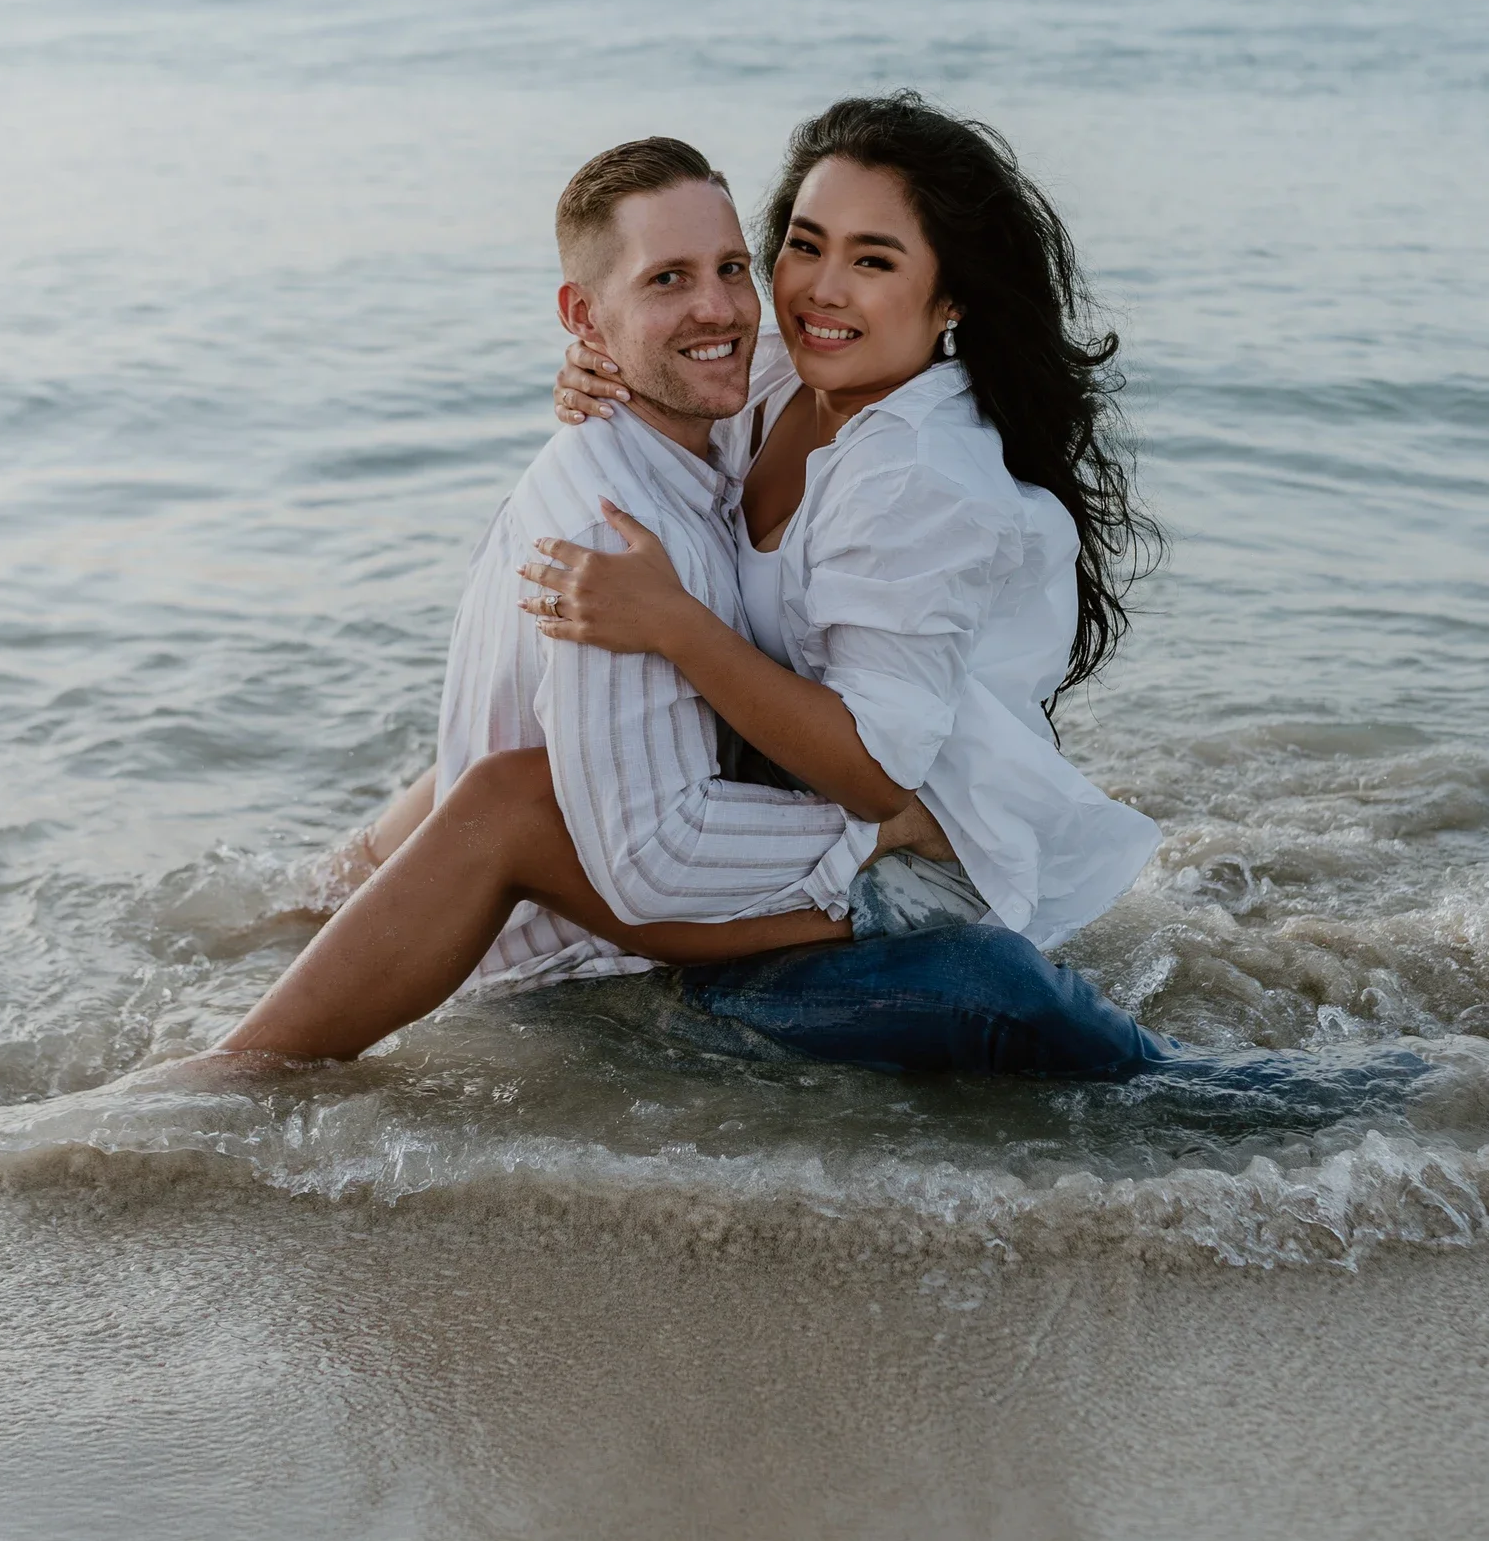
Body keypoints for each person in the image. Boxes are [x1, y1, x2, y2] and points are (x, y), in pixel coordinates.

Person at [216, 123, 1167, 1076]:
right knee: (514, 748)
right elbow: (676, 363)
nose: (820, 288)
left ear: (948, 293)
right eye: (802, 244)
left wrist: (673, 621)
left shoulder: (917, 472)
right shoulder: (788, 372)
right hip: (790, 779)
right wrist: (602, 368)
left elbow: (877, 776)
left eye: (872, 259)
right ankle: (310, 904)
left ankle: (226, 1078)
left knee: (508, 802)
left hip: (906, 836)